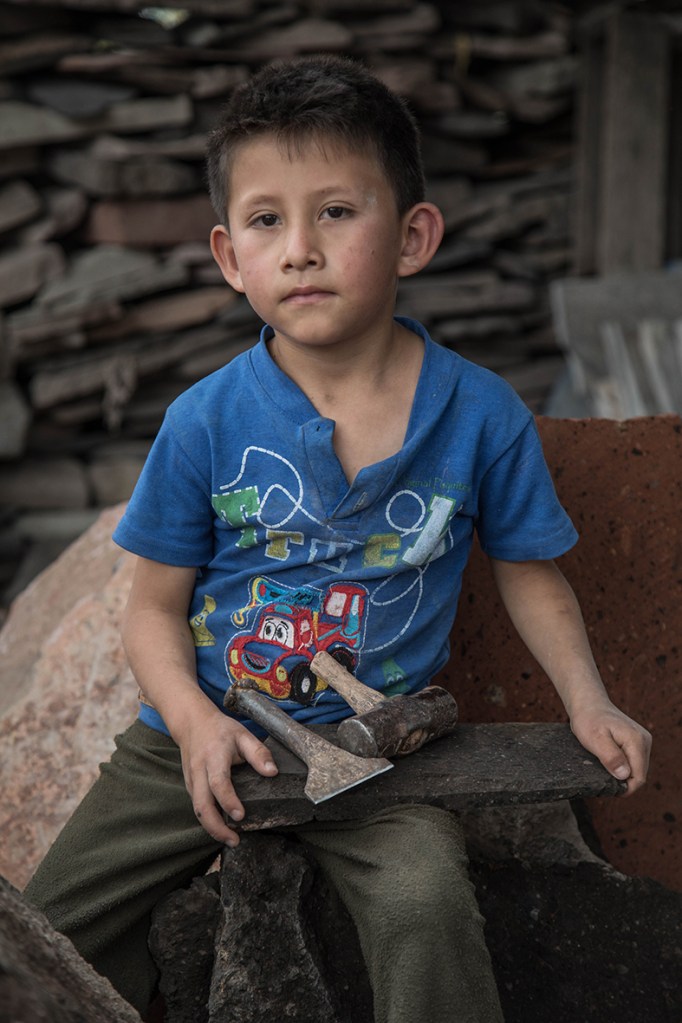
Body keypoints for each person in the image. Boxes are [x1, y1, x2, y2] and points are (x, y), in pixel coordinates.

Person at [25, 55, 651, 1022]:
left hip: (386, 751)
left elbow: (531, 574)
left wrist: (589, 700)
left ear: (412, 236)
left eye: (336, 212)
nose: (301, 250)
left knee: (424, 905)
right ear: (230, 257)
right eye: (267, 221)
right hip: (207, 738)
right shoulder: (205, 421)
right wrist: (192, 725)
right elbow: (150, 609)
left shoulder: (481, 416)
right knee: (47, 927)